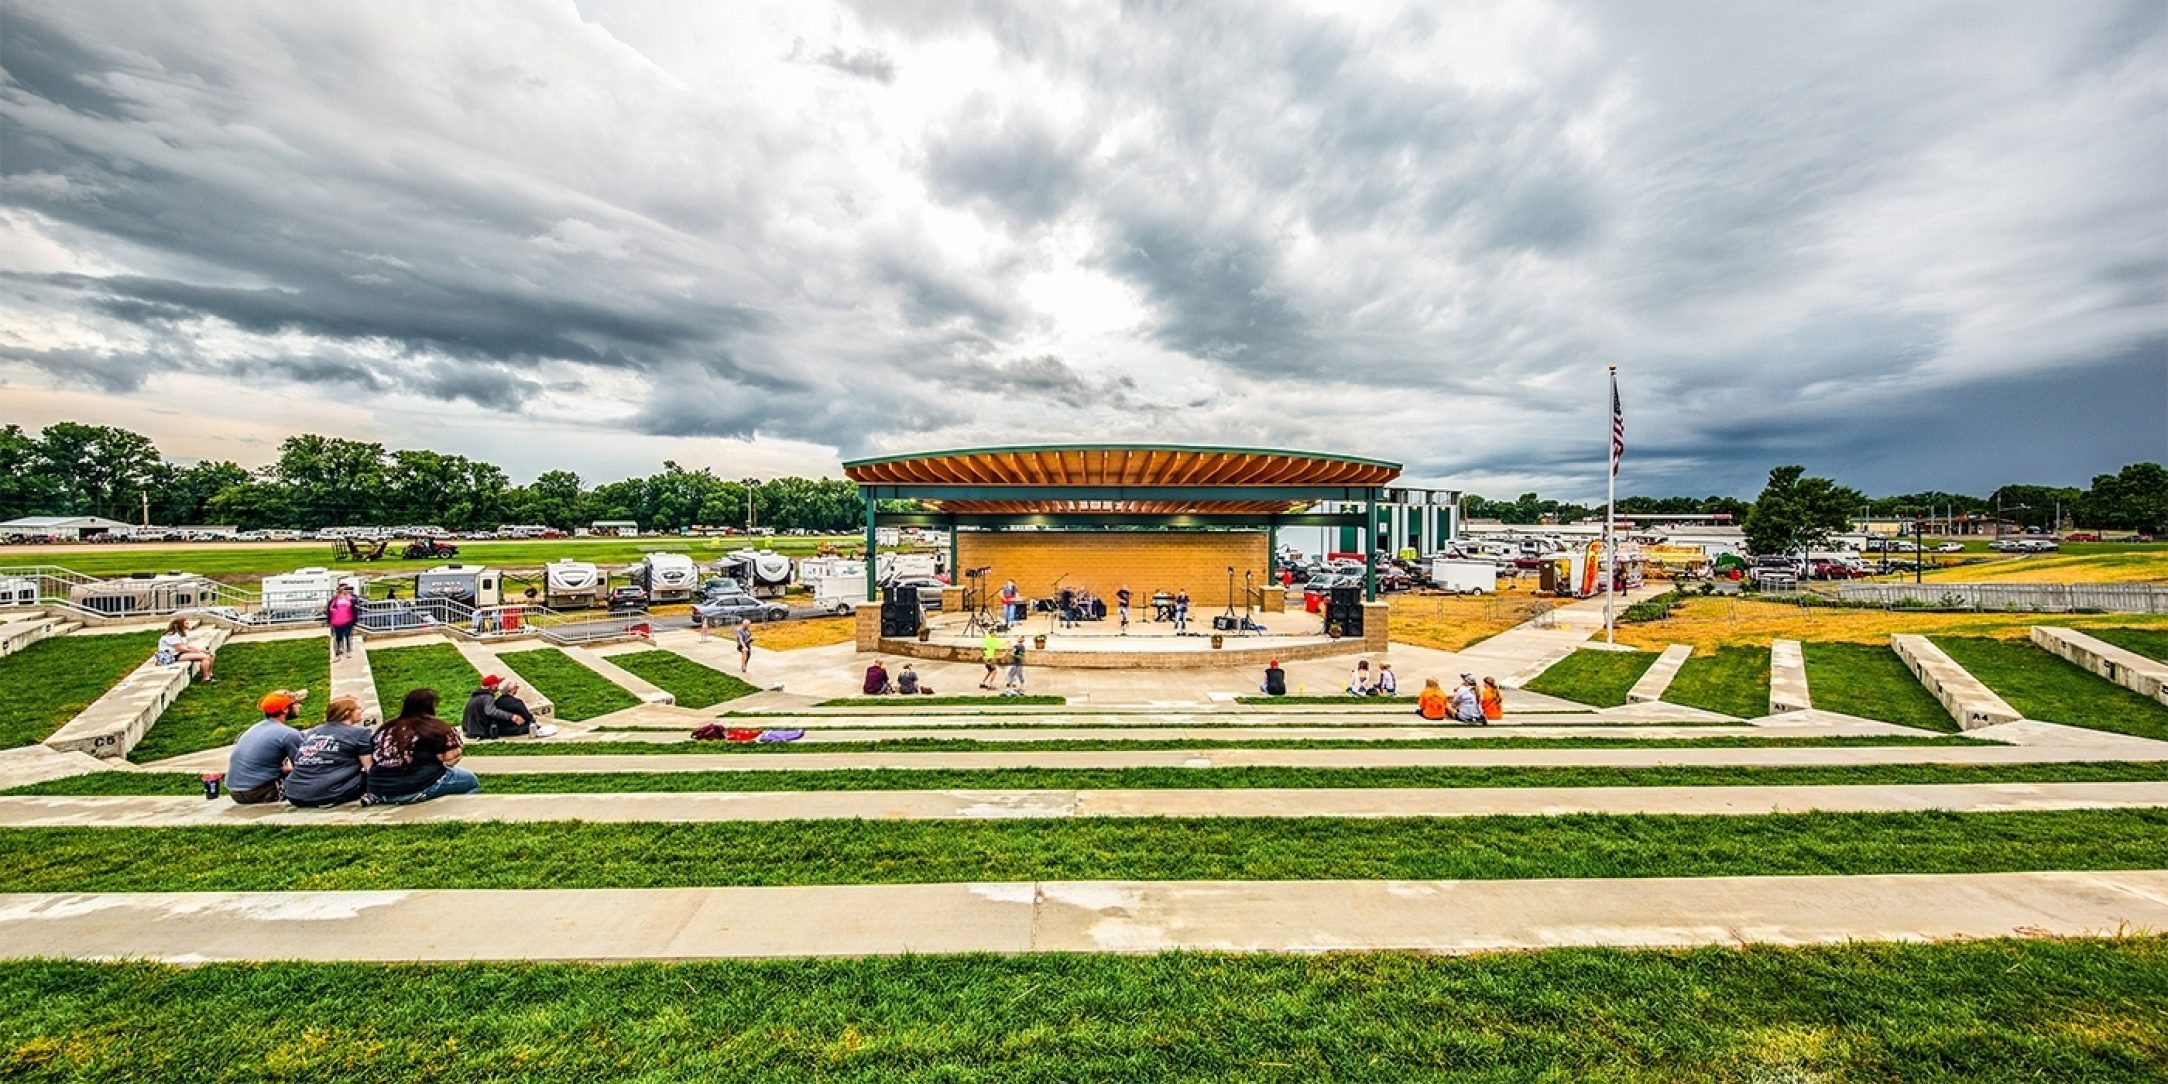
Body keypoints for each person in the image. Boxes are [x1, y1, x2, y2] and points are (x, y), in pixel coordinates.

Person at [364, 688, 478, 805]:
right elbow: (450, 756)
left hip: (378, 788)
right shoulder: (434, 727)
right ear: (432, 707)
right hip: (416, 785)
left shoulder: (385, 729)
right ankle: (459, 811)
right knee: (470, 781)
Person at [283, 695, 373, 808]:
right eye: (358, 708)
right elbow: (370, 768)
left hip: (294, 793)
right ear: (347, 713)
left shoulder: (313, 732)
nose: (362, 710)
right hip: (327, 794)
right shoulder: (360, 734)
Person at [225, 689, 308, 804]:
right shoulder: (289, 734)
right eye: (295, 704)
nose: (299, 706)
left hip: (234, 792)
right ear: (285, 710)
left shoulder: (253, 729)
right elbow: (304, 767)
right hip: (257, 792)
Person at [462, 675, 528, 739]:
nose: (498, 686)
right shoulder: (487, 697)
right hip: (478, 732)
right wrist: (512, 716)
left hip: (469, 730)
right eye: (497, 683)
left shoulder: (476, 696)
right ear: (493, 686)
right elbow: (491, 712)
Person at [154, 618, 216, 683]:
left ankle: (209, 674)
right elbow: (180, 648)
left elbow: (186, 646)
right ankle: (205, 678)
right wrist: (195, 652)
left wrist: (200, 651)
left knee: (211, 655)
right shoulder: (172, 634)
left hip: (179, 653)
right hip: (172, 656)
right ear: (180, 624)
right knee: (206, 657)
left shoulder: (180, 634)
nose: (188, 624)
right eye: (186, 623)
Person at [325, 583, 359, 661]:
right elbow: (329, 610)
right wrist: (329, 620)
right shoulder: (334, 599)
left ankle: (348, 650)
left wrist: (355, 619)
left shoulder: (351, 598)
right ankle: (337, 653)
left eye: (346, 589)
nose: (345, 590)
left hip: (348, 620)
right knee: (337, 637)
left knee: (348, 635)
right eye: (343, 589)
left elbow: (354, 608)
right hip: (337, 622)